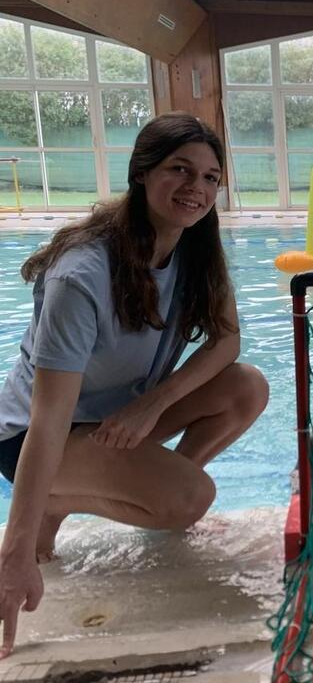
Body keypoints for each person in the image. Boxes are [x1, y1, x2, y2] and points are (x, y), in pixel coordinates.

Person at [0, 112, 269, 658]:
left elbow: (226, 344)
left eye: (211, 177)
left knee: (246, 387)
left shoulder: (195, 252)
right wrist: (15, 555)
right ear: (141, 172)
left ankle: (147, 490)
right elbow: (50, 419)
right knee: (191, 497)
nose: (196, 187)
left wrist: (153, 404)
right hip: (31, 435)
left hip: (117, 419)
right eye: (179, 169)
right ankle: (58, 502)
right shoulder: (82, 275)